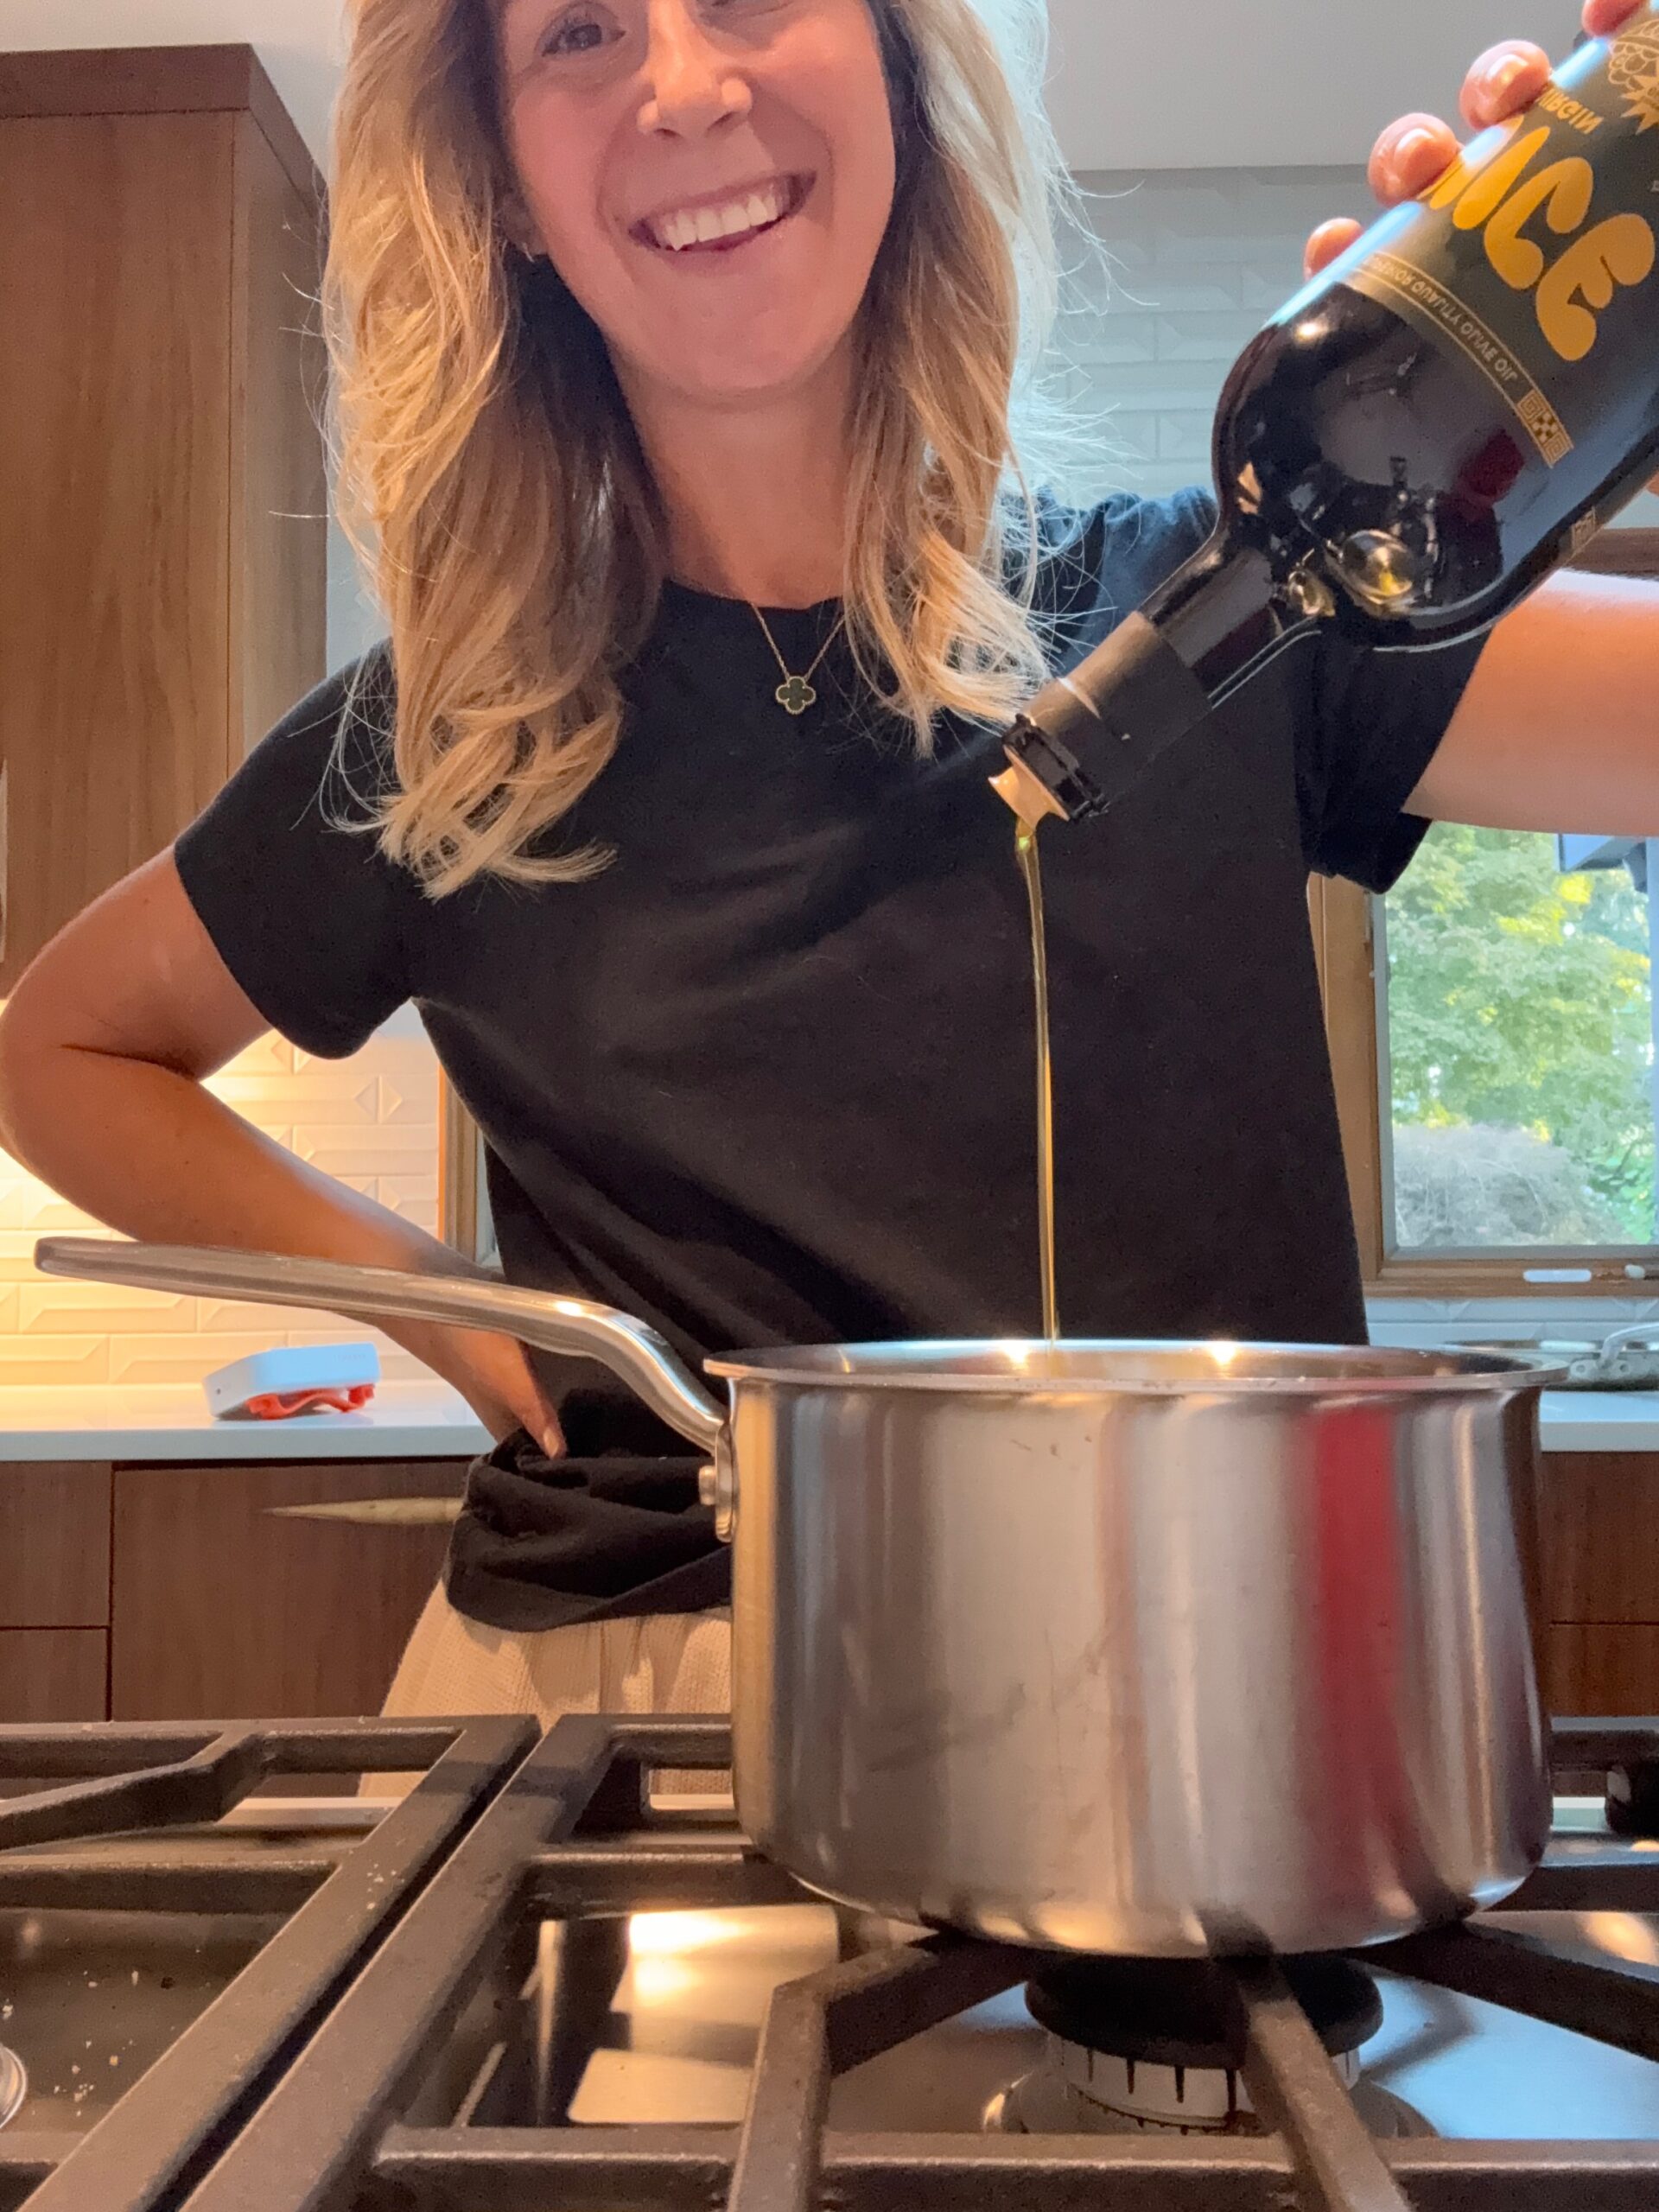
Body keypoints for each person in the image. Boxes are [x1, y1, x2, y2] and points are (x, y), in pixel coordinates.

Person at [0, 0, 1655, 1745]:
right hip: (635, 1704)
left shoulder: (1239, 606)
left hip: (1204, 1712)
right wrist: (477, 1328)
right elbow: (56, 1047)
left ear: (898, 77)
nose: (684, 81)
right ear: (500, 185)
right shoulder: (454, 732)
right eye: (577, 33)